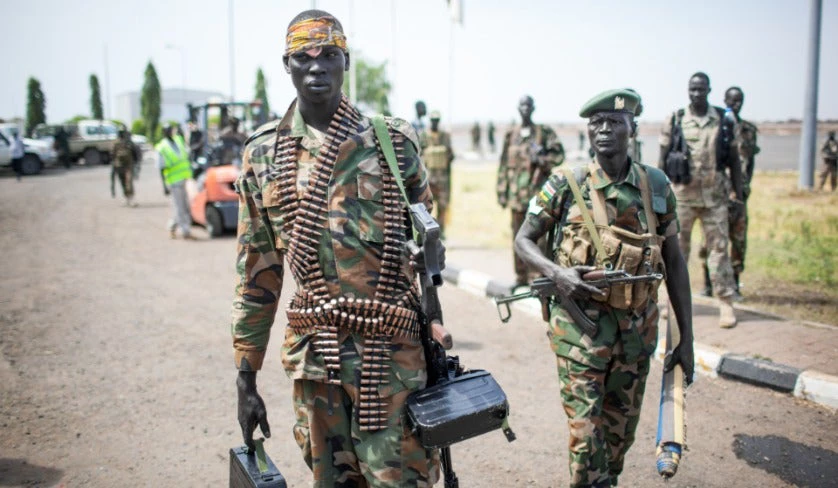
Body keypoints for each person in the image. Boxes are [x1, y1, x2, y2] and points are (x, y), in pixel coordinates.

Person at [232, 10, 440, 486]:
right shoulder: (263, 154)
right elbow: (255, 274)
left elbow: (428, 239)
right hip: (315, 359)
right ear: (286, 65)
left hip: (391, 356)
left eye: (329, 55)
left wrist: (430, 291)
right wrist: (246, 378)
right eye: (303, 57)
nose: (316, 67)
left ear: (345, 60)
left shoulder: (392, 140)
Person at [515, 89, 694, 488]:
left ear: (632, 128)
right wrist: (556, 273)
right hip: (579, 335)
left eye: (614, 122)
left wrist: (687, 339)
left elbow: (676, 263)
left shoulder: (656, 185)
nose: (604, 130)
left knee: (617, 439)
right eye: (596, 123)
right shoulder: (566, 182)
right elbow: (523, 240)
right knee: (585, 439)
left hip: (636, 336)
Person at [659, 72, 742, 328]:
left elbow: (735, 161)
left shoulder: (724, 121)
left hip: (714, 198)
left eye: (701, 89)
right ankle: (671, 301)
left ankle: (726, 304)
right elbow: (662, 159)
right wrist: (660, 193)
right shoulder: (675, 119)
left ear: (709, 90)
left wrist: (737, 195)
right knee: (676, 251)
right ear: (688, 91)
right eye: (692, 89)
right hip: (681, 198)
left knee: (719, 251)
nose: (696, 94)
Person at [497, 95, 565, 288]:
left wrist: (542, 160)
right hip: (516, 197)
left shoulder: (543, 133)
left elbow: (559, 155)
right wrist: (502, 192)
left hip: (538, 198)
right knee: (517, 237)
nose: (525, 109)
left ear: (533, 108)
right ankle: (520, 278)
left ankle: (536, 278)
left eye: (528, 106)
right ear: (518, 109)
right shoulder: (511, 135)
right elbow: (503, 165)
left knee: (538, 239)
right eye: (522, 106)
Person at [700, 86, 759, 297]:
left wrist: (743, 190)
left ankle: (735, 283)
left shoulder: (748, 130)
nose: (735, 104)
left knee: (738, 240)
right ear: (724, 100)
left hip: (739, 196)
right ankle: (708, 284)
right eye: (732, 101)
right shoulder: (717, 126)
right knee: (711, 240)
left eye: (739, 101)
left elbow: (749, 162)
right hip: (717, 195)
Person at [156, 123, 194, 240]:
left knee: (186, 206)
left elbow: (187, 153)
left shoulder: (178, 140)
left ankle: (174, 226)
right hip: (174, 182)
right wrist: (164, 186)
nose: (170, 132)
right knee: (179, 207)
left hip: (184, 179)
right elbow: (161, 168)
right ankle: (185, 231)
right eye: (167, 130)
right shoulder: (162, 147)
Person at [420, 110, 455, 238]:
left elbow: (451, 155)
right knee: (427, 206)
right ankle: (428, 230)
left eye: (437, 120)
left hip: (442, 179)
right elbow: (418, 155)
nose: (435, 123)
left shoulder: (445, 136)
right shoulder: (423, 136)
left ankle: (442, 231)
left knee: (442, 206)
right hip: (428, 179)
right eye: (433, 120)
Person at [110, 128, 138, 207]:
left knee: (128, 182)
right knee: (124, 183)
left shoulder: (128, 142)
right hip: (120, 166)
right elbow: (112, 155)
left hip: (127, 166)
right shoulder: (116, 143)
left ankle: (130, 199)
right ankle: (128, 199)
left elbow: (134, 153)